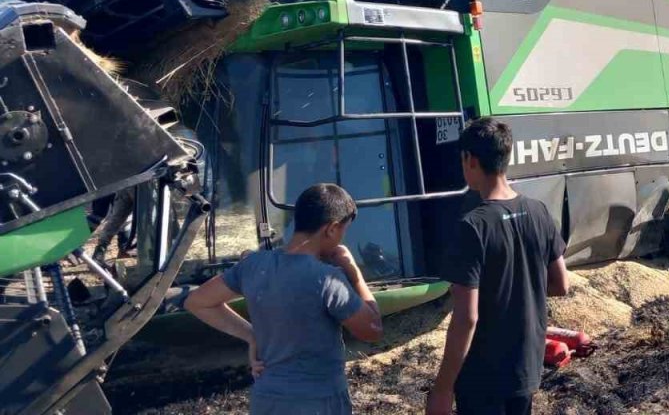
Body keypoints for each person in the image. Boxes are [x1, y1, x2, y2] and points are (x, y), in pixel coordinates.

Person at [185, 183, 383, 415]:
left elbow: (197, 302)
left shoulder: (253, 265)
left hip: (266, 399)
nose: (341, 239)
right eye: (343, 231)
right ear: (331, 229)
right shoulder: (328, 279)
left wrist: (252, 336)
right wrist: (354, 273)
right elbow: (373, 330)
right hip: (318, 402)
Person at [426, 117, 570, 415]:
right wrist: (521, 285)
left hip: (483, 377)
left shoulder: (472, 226)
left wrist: (442, 389)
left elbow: (466, 318)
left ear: (470, 160)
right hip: (525, 369)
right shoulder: (538, 211)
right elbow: (560, 285)